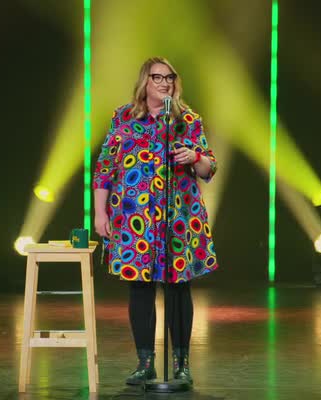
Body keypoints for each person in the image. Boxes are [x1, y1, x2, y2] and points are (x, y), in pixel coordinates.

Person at [93, 57, 219, 386]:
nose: (165, 83)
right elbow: (105, 167)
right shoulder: (123, 117)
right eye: (157, 77)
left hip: (177, 216)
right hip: (133, 217)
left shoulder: (187, 120)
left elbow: (209, 168)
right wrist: (100, 212)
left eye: (169, 77)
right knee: (140, 286)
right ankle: (145, 362)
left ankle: (181, 365)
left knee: (178, 287)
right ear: (144, 82)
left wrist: (195, 157)